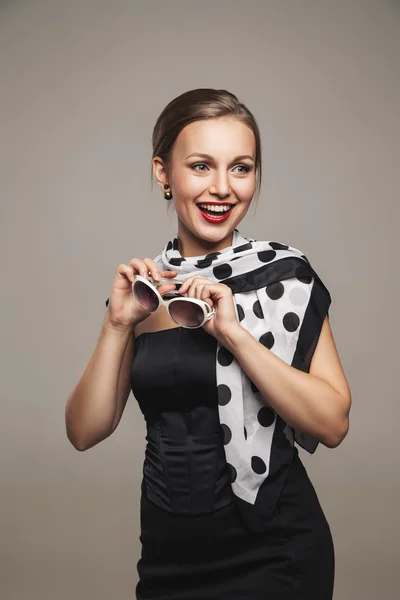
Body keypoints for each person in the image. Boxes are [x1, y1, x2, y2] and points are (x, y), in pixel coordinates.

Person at [65, 88, 352, 599]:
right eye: (201, 166)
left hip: (274, 552)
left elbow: (332, 423)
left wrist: (234, 334)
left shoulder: (285, 275)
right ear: (163, 174)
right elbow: (84, 431)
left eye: (240, 168)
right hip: (167, 555)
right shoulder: (147, 290)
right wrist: (116, 324)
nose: (222, 188)